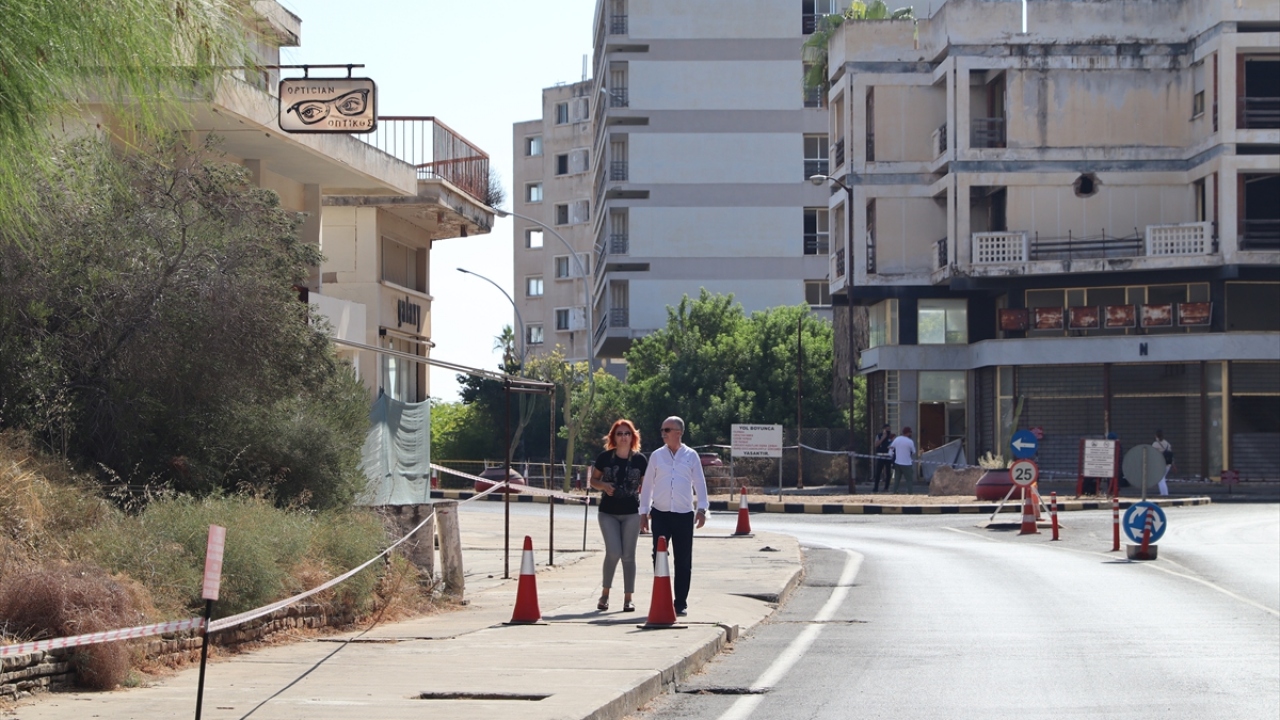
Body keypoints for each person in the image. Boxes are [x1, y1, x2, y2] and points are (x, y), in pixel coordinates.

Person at [639, 416, 708, 617]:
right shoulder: (657, 456)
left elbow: (700, 484)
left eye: (667, 430)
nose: (663, 433)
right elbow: (648, 486)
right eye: (662, 430)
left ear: (679, 432)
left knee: (683, 560)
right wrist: (643, 512)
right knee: (658, 555)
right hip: (660, 513)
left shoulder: (691, 456)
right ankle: (663, 596)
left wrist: (702, 509)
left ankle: (680, 602)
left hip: (684, 514)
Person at [589, 419, 647, 612]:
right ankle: (604, 594)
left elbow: (646, 487)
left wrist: (647, 512)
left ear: (633, 437)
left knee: (628, 555)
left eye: (627, 433)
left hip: (631, 512)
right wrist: (604, 485)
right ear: (613, 437)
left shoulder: (640, 460)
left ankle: (628, 598)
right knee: (613, 552)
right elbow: (593, 480)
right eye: (620, 433)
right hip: (608, 512)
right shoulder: (605, 457)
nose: (623, 437)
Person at [889, 426, 917, 494]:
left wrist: (891, 454)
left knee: (897, 479)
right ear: (908, 433)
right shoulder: (910, 441)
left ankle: (895, 491)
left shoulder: (897, 439)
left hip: (897, 462)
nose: (911, 434)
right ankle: (910, 492)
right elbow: (914, 451)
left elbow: (891, 447)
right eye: (910, 433)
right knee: (909, 480)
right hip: (907, 463)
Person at [873, 424, 895, 493]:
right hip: (880, 455)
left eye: (889, 429)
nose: (888, 430)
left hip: (888, 456)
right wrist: (883, 437)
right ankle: (876, 487)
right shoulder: (879, 436)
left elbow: (893, 445)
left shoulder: (891, 436)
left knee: (888, 473)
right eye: (886, 429)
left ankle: (886, 488)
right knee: (878, 472)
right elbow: (876, 445)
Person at [1152, 429, 1173, 497]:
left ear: (1156, 436)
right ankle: (1164, 493)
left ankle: (1164, 494)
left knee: (1161, 479)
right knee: (1162, 478)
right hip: (1168, 464)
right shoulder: (1167, 443)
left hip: (1160, 464)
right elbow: (1171, 454)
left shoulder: (1155, 444)